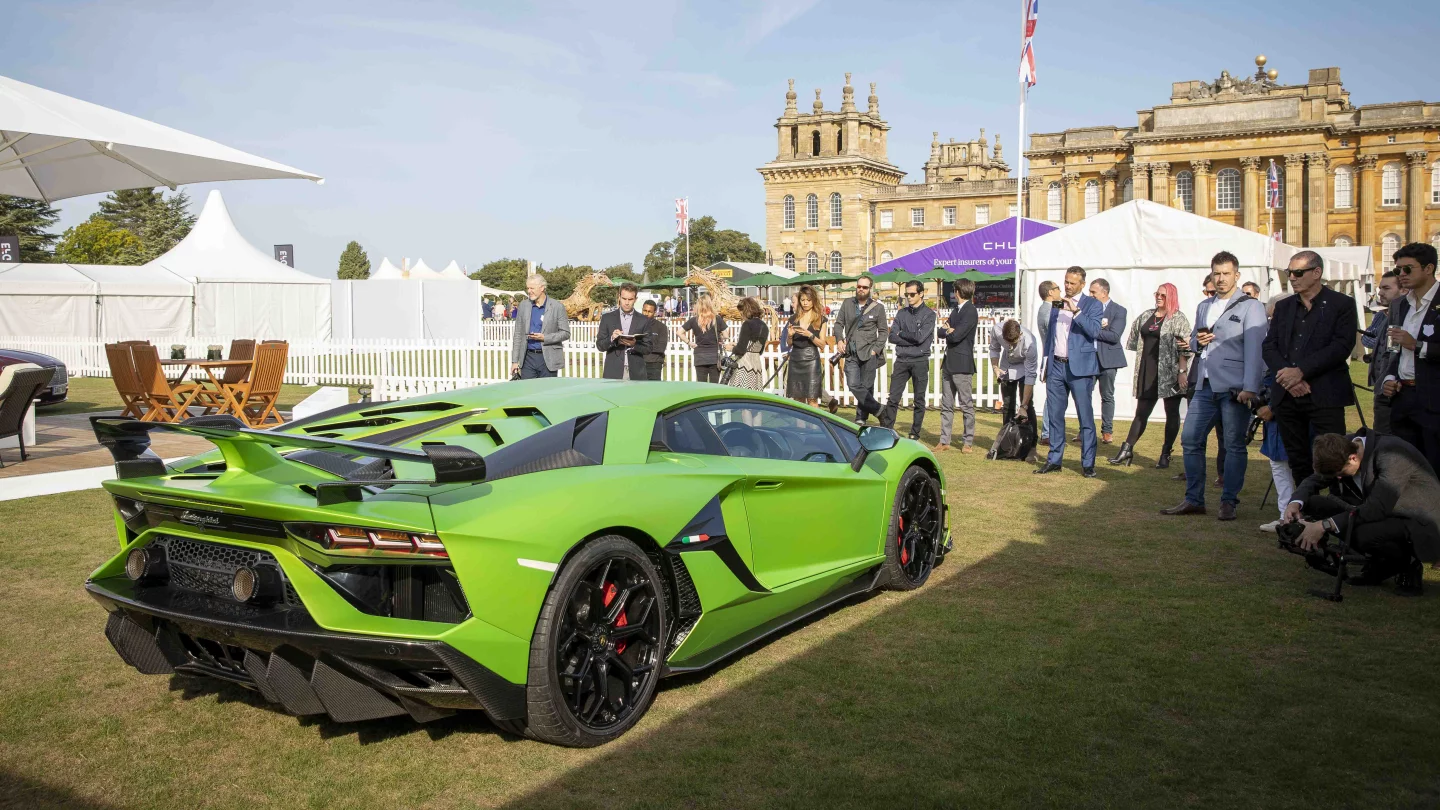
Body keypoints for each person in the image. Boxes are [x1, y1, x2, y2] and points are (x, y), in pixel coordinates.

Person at [1161, 251, 1267, 520]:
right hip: (1205, 384)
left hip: (1235, 387)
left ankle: (1229, 500)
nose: (1220, 279)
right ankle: (1194, 499)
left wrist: (1251, 387)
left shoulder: (1251, 306)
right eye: (1216, 274)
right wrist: (1197, 342)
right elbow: (1196, 342)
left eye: (1226, 274)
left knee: (1233, 444)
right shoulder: (1204, 306)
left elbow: (1256, 350)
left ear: (1237, 276)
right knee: (1190, 439)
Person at [1284, 431, 1440, 590]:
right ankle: (1375, 560)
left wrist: (1323, 525)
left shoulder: (1393, 454)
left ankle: (1406, 563)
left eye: (1340, 473)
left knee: (1362, 535)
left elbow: (1377, 508)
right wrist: (1295, 503)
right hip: (1382, 509)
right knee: (1313, 503)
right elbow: (1314, 480)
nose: (1338, 478)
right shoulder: (1344, 447)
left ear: (1353, 458)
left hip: (1417, 519)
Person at [1261, 250, 1358, 484]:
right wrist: (1288, 378)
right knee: (1297, 458)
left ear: (1317, 273)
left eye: (1297, 272)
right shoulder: (1284, 307)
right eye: (1289, 273)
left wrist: (1301, 372)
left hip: (1325, 393)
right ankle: (1305, 510)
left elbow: (1341, 347)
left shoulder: (1341, 304)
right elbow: (1269, 346)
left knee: (1335, 456)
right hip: (1288, 395)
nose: (1292, 278)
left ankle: (1337, 512)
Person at [1108, 283, 1191, 468]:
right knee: (1141, 413)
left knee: (1171, 413)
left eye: (1163, 295)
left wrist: (1182, 372)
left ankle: (1165, 453)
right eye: (1157, 294)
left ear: (1171, 296)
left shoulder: (1178, 318)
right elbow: (1134, 339)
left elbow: (1186, 348)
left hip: (1169, 373)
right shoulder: (1147, 315)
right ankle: (1126, 450)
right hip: (1147, 370)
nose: (1159, 297)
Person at [1036, 266, 1104, 477]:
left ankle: (1088, 464)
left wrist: (1076, 312)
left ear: (1082, 284)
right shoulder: (1057, 303)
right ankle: (1054, 459)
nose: (1067, 286)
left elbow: (1094, 331)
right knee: (1055, 416)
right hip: (1056, 365)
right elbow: (1050, 336)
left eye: (1072, 283)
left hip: (1080, 368)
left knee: (1085, 417)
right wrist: (1046, 363)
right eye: (1066, 282)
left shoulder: (1092, 304)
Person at [1381, 242, 1440, 474]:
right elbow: (1393, 348)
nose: (1401, 275)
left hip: (1434, 400)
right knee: (1405, 469)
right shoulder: (1399, 305)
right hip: (1402, 397)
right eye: (1397, 270)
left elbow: (1410, 344)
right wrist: (1388, 377)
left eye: (1407, 269)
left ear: (1428, 268)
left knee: (1434, 466)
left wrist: (1418, 346)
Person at [879, 280, 937, 440]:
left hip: (920, 360)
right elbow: (891, 337)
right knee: (893, 398)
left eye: (912, 294)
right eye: (906, 294)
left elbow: (920, 338)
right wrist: (907, 338)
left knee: (919, 399)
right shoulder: (901, 313)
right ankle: (886, 430)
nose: (909, 297)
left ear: (921, 294)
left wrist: (902, 334)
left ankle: (914, 433)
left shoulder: (930, 315)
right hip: (902, 360)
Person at [835, 275, 889, 424]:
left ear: (870, 289)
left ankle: (861, 418)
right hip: (851, 352)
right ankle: (879, 410)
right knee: (853, 384)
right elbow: (839, 324)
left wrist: (876, 350)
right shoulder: (847, 304)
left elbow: (884, 331)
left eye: (864, 287)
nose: (861, 289)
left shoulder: (878, 308)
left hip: (869, 351)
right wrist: (839, 339)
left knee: (866, 386)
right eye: (859, 286)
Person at [936, 278, 978, 453]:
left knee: (966, 404)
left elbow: (957, 336)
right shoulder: (956, 310)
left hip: (962, 364)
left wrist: (949, 330)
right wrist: (948, 330)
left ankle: (967, 441)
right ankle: (944, 440)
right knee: (946, 405)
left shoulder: (970, 311)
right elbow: (941, 332)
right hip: (949, 363)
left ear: (958, 292)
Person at [509, 273, 570, 380]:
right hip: (528, 358)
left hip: (548, 359)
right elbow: (518, 334)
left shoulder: (557, 306)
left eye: (532, 288)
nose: (529, 291)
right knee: (528, 394)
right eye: (528, 288)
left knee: (546, 394)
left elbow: (565, 333)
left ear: (542, 288)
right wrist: (514, 361)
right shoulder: (523, 305)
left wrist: (545, 338)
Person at [1361, 270, 1401, 433]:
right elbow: (1367, 339)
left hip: (1395, 390)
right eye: (1380, 288)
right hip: (1381, 388)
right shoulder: (1382, 315)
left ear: (1403, 289)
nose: (1380, 293)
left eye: (1386, 288)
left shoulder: (1402, 317)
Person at [1090, 278, 1128, 445]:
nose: (1090, 295)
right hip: (1089, 359)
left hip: (1109, 360)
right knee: (1083, 395)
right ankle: (1084, 429)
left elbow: (1114, 336)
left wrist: (1092, 330)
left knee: (1107, 395)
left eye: (1093, 292)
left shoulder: (1119, 310)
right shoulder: (1087, 309)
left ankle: (1107, 431)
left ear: (1104, 293)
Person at [992, 318, 1039, 431]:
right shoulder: (996, 330)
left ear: (1020, 334)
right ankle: (1006, 441)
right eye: (1007, 342)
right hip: (1006, 366)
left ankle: (1031, 444)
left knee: (1028, 406)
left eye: (1013, 342)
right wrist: (995, 367)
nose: (1010, 345)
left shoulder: (1030, 344)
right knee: (1008, 405)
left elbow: (1030, 376)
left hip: (1024, 366)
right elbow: (994, 348)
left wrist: (1023, 406)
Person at [596, 282, 650, 380]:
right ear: (619, 297)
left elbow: (648, 348)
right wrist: (612, 339)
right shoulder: (607, 318)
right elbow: (600, 345)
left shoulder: (643, 320)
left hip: (637, 372)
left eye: (630, 299)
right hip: (613, 371)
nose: (626, 302)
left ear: (635, 299)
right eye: (624, 299)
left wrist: (634, 344)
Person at [785, 285, 827, 407]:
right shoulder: (793, 319)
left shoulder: (820, 319)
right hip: (796, 359)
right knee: (798, 399)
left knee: (812, 398)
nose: (805, 303)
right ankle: (801, 426)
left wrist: (810, 335)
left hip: (811, 359)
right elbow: (789, 344)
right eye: (802, 300)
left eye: (808, 300)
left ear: (813, 300)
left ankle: (815, 426)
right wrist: (790, 336)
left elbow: (822, 344)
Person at [1034, 280, 1061, 446]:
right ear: (1051, 292)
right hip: (1054, 359)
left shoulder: (1048, 309)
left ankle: (1048, 432)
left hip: (1051, 358)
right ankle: (1047, 432)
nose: (1060, 291)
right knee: (1053, 396)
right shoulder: (1048, 311)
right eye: (1057, 288)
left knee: (1054, 396)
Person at [727, 297, 770, 390]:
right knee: (754, 396)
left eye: (741, 312)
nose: (741, 315)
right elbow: (760, 350)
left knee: (739, 394)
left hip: (744, 365)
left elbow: (741, 350)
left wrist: (732, 348)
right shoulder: (764, 326)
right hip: (756, 365)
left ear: (746, 310)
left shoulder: (747, 324)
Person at [682, 296, 727, 383]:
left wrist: (689, 342)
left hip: (700, 357)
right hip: (714, 357)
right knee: (715, 386)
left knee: (701, 386)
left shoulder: (693, 320)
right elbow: (726, 335)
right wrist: (720, 338)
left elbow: (679, 332)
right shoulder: (717, 319)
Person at [640, 300, 669, 381]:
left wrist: (642, 347)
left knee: (653, 391)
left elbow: (661, 348)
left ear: (654, 312)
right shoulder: (636, 325)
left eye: (649, 312)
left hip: (654, 364)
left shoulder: (661, 327)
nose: (646, 313)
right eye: (644, 310)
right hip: (638, 363)